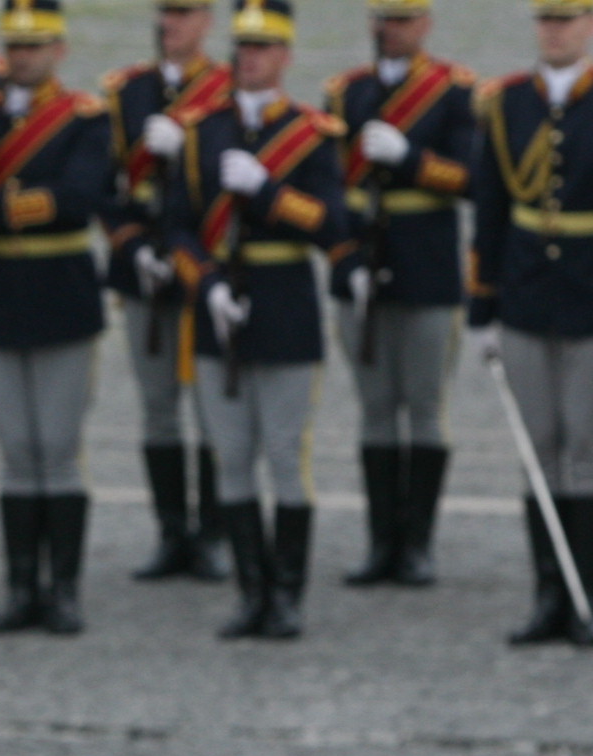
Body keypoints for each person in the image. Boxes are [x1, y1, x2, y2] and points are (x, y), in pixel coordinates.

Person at [468, 0, 593, 647]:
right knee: (538, 448)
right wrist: (483, 304)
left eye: (568, 19)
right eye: (546, 19)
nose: (555, 29)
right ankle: (547, 594)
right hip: (525, 296)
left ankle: (587, 597)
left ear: (591, 25)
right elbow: (490, 208)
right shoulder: (506, 104)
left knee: (582, 445)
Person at [161, 0, 344, 639]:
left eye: (264, 47)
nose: (251, 57)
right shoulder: (198, 131)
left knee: (286, 457)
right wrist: (204, 282)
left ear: (286, 56)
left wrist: (267, 192)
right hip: (219, 311)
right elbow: (177, 225)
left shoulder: (313, 132)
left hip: (287, 307)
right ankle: (250, 593)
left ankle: (287, 595)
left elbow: (332, 225)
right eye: (243, 46)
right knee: (232, 457)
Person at [0, 3, 111, 633]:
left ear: (59, 49)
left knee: (57, 447)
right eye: (14, 45)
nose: (22, 56)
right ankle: (22, 586)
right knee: (18, 450)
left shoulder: (84, 117)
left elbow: (81, 197)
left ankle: (64, 588)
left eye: (35, 45)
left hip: (61, 294)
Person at [327, 0, 475, 587]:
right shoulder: (346, 94)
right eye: (383, 18)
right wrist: (347, 259)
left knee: (424, 406)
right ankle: (380, 542)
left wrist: (410, 160)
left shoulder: (455, 92)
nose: (390, 29)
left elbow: (473, 178)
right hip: (365, 266)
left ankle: (418, 544)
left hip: (427, 266)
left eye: (403, 18)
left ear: (425, 24)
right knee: (375, 408)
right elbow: (328, 185)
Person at [106, 0, 227, 580]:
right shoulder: (127, 91)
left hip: (203, 267)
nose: (169, 24)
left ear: (205, 21)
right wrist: (133, 248)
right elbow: (106, 186)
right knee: (157, 410)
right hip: (145, 271)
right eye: (164, 12)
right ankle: (170, 531)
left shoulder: (226, 90)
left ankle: (213, 534)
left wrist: (190, 151)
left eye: (182, 13)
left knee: (210, 411)